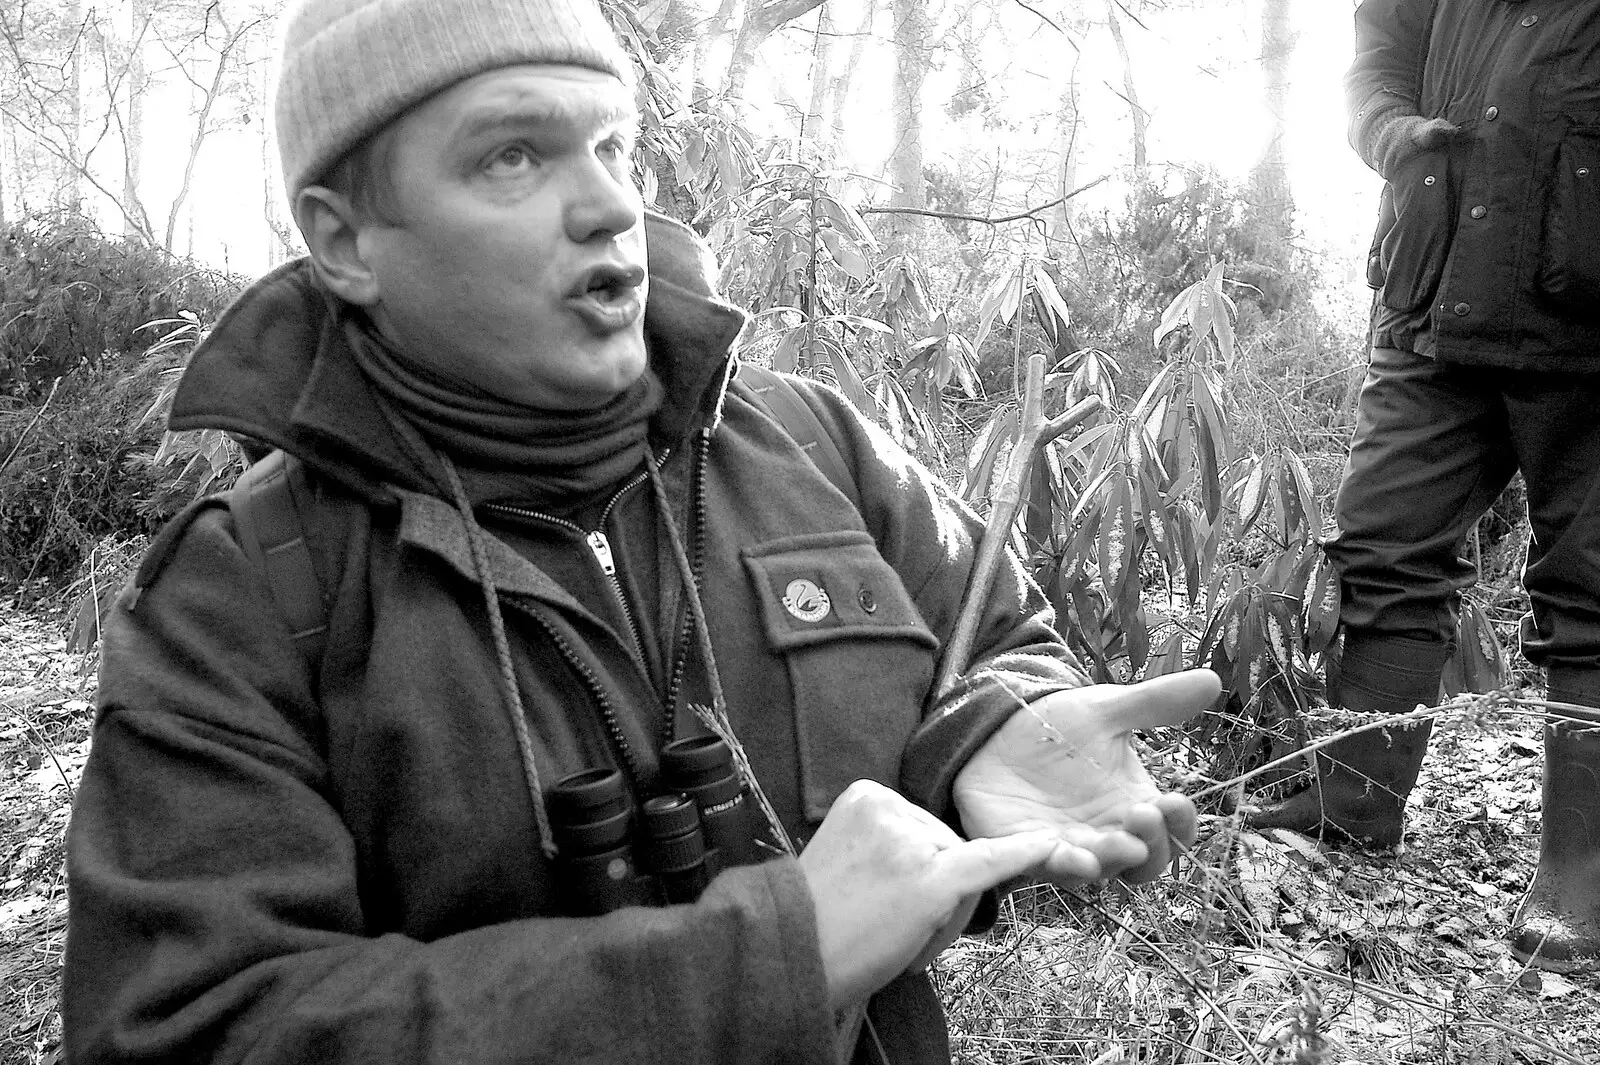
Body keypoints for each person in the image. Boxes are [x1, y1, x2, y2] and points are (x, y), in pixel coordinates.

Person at [61, 0, 1223, 1060]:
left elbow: (999, 630)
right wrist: (767, 962)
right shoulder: (244, 592)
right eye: (514, 156)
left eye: (612, 145)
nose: (614, 204)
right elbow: (188, 1026)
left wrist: (990, 731)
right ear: (348, 239)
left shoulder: (810, 443)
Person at [1245, 0, 1600, 973]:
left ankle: (1583, 873)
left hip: (1585, 324)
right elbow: (1373, 67)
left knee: (1591, 594)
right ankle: (1352, 804)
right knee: (1382, 543)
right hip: (1430, 302)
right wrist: (1387, 131)